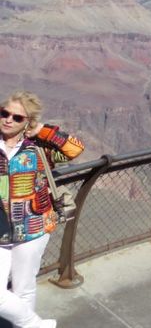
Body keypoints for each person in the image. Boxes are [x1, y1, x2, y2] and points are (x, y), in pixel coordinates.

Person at [1, 91, 84, 328]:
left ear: (28, 122)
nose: (8, 120)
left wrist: (40, 130)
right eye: (4, 113)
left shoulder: (39, 149)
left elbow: (74, 150)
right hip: (0, 231)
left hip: (33, 227)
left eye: (17, 117)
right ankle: (36, 325)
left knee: (24, 287)